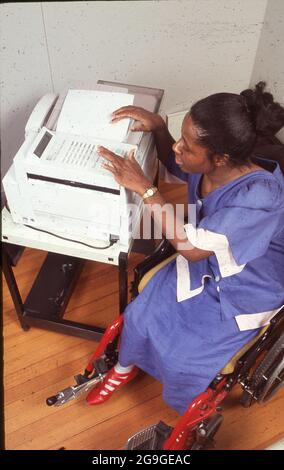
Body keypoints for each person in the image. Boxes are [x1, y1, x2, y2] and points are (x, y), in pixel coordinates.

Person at [87, 82, 284, 414]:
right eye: (180, 138)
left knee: (186, 358)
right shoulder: (214, 166)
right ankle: (123, 368)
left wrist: (146, 190)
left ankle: (186, 407)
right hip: (206, 254)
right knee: (140, 315)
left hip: (251, 278)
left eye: (187, 146)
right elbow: (176, 163)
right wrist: (160, 129)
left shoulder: (259, 197)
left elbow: (191, 249)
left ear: (219, 158)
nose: (178, 148)